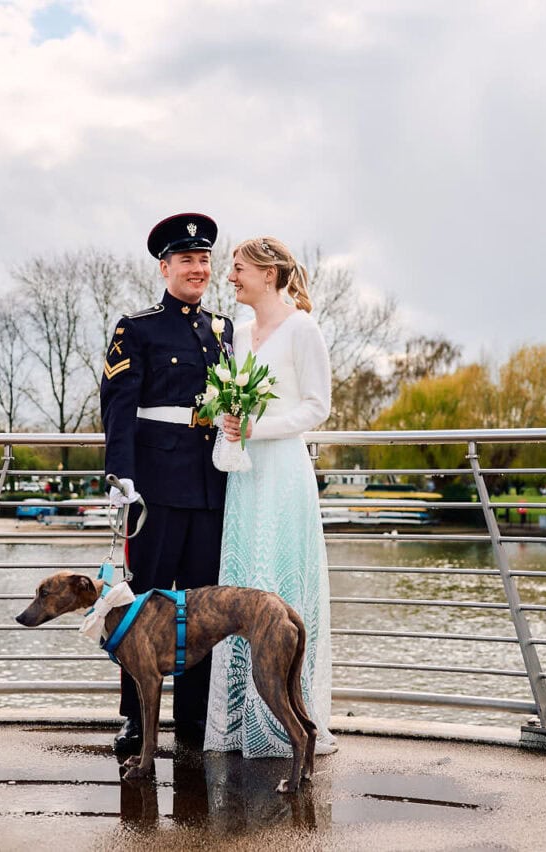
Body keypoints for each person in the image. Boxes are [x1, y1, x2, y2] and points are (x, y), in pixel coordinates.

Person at [100, 212, 234, 753]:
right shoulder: (138, 327)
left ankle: (196, 722)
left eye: (204, 260)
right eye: (187, 260)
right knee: (143, 608)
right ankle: (134, 717)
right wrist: (121, 478)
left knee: (200, 610)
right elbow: (119, 408)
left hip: (210, 490)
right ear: (165, 267)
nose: (198, 268)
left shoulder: (220, 331)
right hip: (153, 489)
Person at [205, 235, 337, 758]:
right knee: (244, 587)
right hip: (246, 475)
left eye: (237, 268)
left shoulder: (303, 328)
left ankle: (295, 720)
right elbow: (225, 398)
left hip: (282, 472)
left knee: (282, 585)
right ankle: (242, 721)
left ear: (268, 272)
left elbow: (317, 407)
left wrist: (261, 429)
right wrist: (227, 418)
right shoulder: (236, 332)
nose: (230, 277)